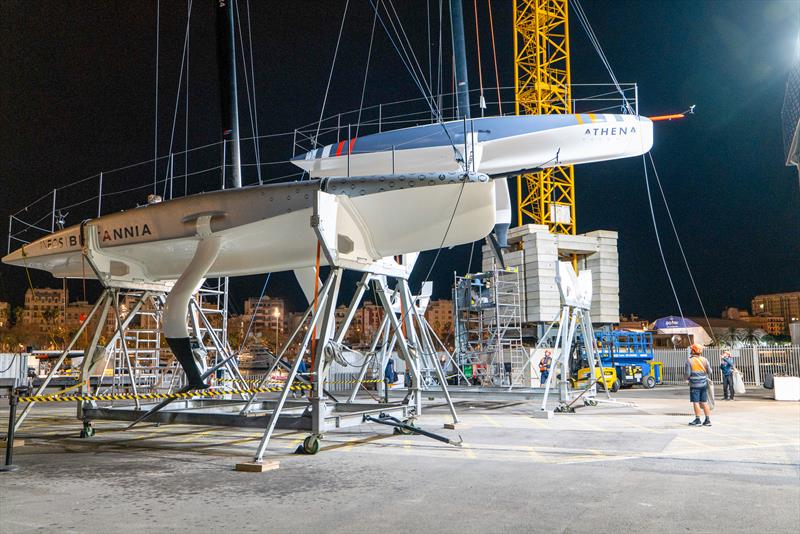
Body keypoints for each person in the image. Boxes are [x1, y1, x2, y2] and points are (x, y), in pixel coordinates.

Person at [685, 344, 712, 426]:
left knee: (696, 402)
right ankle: (707, 420)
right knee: (704, 402)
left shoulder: (689, 361)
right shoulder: (705, 360)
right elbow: (710, 372)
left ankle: (697, 420)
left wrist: (686, 379)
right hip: (703, 384)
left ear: (693, 351)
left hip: (694, 385)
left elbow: (687, 373)